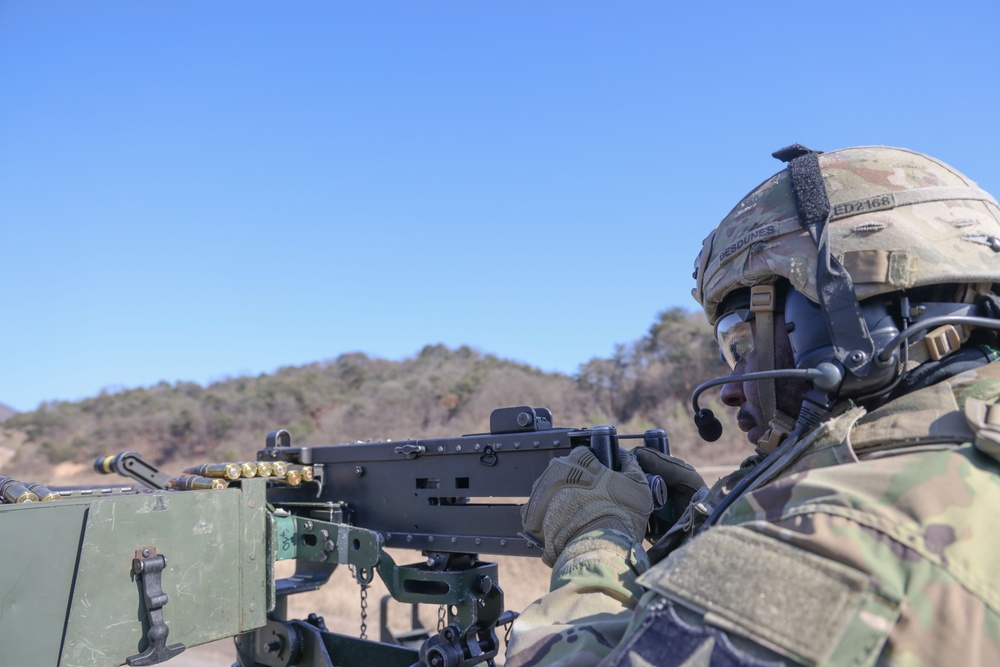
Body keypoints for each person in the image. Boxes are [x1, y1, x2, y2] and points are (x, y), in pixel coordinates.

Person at [506, 145, 1000, 666]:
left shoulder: (840, 538)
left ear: (845, 320)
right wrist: (714, 524)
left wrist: (594, 544)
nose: (730, 389)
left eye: (743, 343)